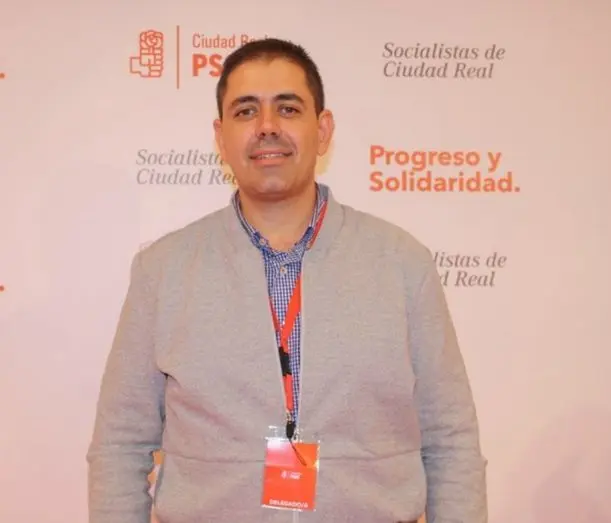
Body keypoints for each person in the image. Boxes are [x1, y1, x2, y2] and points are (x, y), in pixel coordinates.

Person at [87, 37, 487, 523]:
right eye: (246, 111)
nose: (267, 127)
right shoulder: (163, 270)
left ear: (323, 129)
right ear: (221, 136)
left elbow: (450, 442)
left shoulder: (403, 263)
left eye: (288, 108)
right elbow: (120, 445)